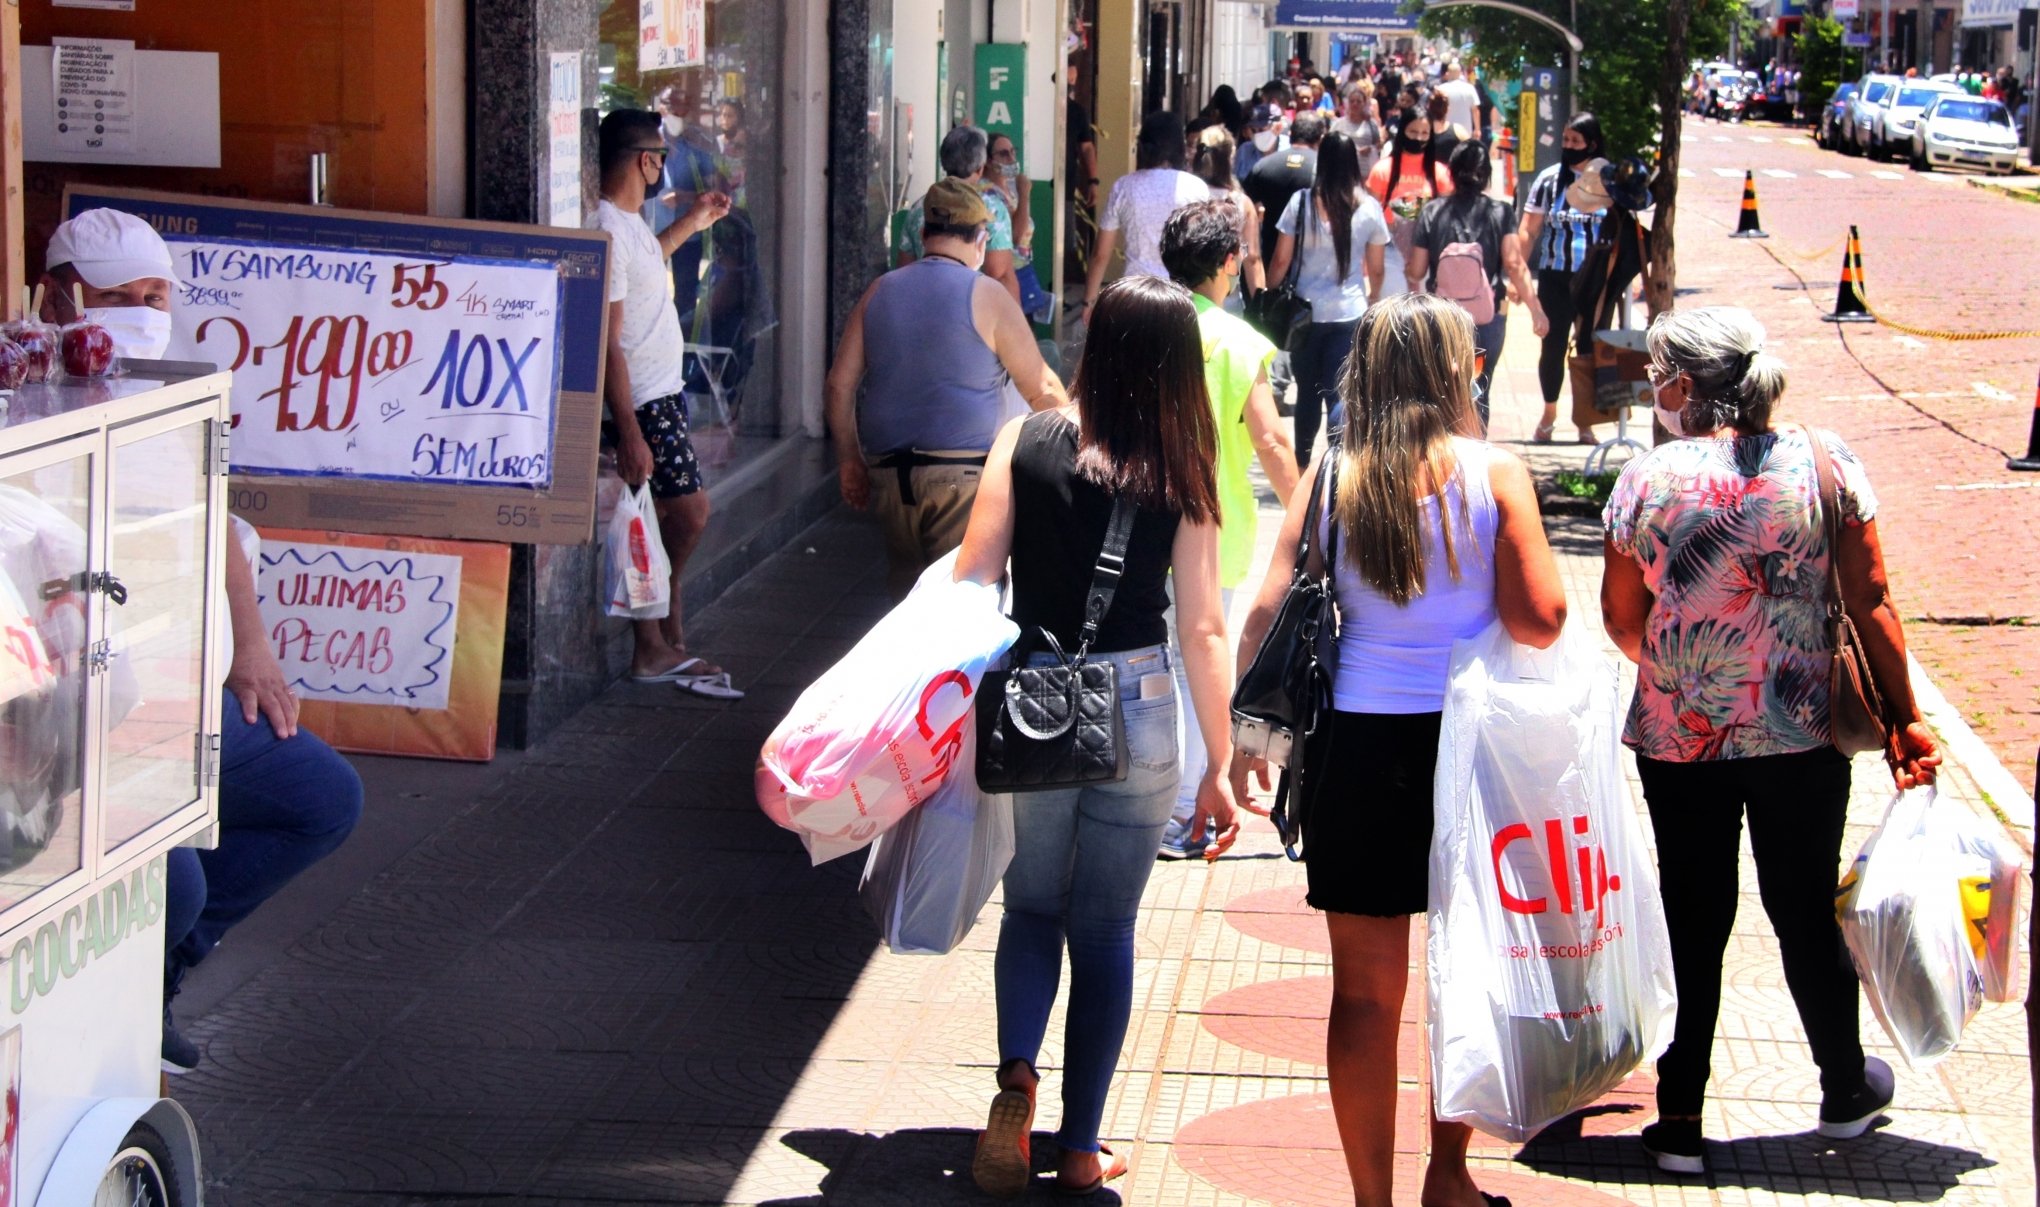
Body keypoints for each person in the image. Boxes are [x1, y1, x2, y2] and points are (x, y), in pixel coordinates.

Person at [1232, 293, 1565, 1207]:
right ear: (1457, 372)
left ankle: (1370, 1201)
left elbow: (1267, 606)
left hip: (1353, 751)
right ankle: (1448, 1175)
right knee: (1465, 974)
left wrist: (1243, 735)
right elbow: (1543, 619)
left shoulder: (1332, 471)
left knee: (1365, 997)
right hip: (1467, 756)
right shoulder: (1496, 472)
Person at [1600, 306, 1942, 1175]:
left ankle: (1679, 1112)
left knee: (1696, 911)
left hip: (1681, 733)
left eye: (1662, 371)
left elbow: (1620, 616)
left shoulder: (1650, 478)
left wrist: (1693, 668)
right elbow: (1872, 602)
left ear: (1689, 384)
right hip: (1802, 730)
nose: (1655, 385)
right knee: (1801, 905)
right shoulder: (1827, 463)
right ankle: (1842, 1082)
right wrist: (1905, 718)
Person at [39, 209, 367, 1074]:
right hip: (92, 718)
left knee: (324, 797)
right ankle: (120, 993)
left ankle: (160, 973)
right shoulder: (31, 402)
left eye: (156, 296)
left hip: (194, 700)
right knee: (173, 885)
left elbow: (213, 514)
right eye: (118, 297)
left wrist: (252, 645)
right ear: (62, 296)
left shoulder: (170, 392)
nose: (143, 314)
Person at [956, 275, 1242, 1199]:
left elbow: (972, 580)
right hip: (1143, 705)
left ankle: (1015, 1079)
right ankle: (1081, 1145)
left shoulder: (1022, 440)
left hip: (1036, 700)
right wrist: (1223, 761)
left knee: (1031, 909)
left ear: (1092, 342)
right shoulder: (1183, 465)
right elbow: (1201, 625)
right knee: (1108, 926)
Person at [826, 180, 1069, 597]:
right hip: (967, 476)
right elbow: (1042, 387)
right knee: (962, 598)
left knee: (906, 592)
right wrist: (1079, 454)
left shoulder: (879, 291)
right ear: (980, 240)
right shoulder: (988, 294)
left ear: (923, 236)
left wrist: (850, 460)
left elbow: (838, 387)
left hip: (889, 475)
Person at [1155, 200, 1302, 859]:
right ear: (1223, 263)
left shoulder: (1141, 323)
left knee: (1149, 658)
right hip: (1214, 526)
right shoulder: (1241, 343)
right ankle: (1184, 809)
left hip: (1135, 516)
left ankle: (1145, 798)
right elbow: (1271, 440)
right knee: (1200, 663)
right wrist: (1305, 516)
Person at [593, 108, 740, 696]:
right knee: (689, 512)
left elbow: (647, 260)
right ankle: (656, 629)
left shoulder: (628, 225)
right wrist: (628, 429)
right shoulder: (606, 226)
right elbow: (608, 339)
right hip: (643, 404)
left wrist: (693, 221)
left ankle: (657, 632)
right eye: (660, 156)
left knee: (667, 518)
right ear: (645, 162)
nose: (663, 165)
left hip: (660, 394)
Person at [1267, 132, 1390, 465]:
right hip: (1349, 312)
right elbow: (1376, 269)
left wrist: (1268, 290)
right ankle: (1339, 462)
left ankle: (1303, 463)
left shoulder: (1301, 202)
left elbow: (1281, 259)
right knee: (1339, 392)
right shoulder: (1369, 208)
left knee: (1307, 390)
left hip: (1304, 315)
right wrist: (1374, 298)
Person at [1405, 141, 1546, 426]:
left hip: (1441, 317)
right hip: (1486, 316)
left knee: (1439, 390)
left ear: (1452, 171)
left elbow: (1417, 270)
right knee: (1479, 390)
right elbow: (1514, 264)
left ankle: (1440, 458)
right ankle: (1476, 457)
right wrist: (1536, 309)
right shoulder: (1500, 212)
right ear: (1486, 175)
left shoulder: (1432, 211)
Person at [1517, 111, 1607, 445]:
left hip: (1594, 282)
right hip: (1556, 278)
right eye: (1565, 140)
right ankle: (1549, 413)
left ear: (1592, 144)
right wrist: (1517, 274)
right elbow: (1529, 230)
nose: (1568, 146)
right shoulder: (1549, 180)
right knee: (1552, 346)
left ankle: (1585, 420)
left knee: (1588, 350)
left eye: (1576, 141)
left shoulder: (1606, 182)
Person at [1083, 111, 1210, 310]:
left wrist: (1089, 301)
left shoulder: (1124, 187)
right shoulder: (1197, 188)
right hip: (1180, 297)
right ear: (1180, 147)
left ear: (1142, 147)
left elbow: (1100, 254)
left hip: (1135, 294)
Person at [897, 125, 1022, 306]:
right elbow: (1001, 277)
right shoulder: (992, 210)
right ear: (980, 168)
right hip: (972, 316)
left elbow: (904, 273)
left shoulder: (919, 208)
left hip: (923, 312)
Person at [1366, 107, 1452, 296]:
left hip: (1429, 256)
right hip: (1389, 253)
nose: (1418, 138)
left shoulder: (1441, 173)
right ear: (1402, 130)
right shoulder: (1382, 170)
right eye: (1413, 132)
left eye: (1424, 133)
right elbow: (1370, 218)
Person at [1191, 127, 1267, 300]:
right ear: (1229, 157)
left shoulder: (1186, 195)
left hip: (1187, 296)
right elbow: (1251, 258)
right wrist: (1260, 303)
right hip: (1226, 297)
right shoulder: (1241, 203)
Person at [1244, 110, 1325, 267]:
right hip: (1311, 264)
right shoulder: (1326, 170)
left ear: (1292, 133)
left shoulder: (1262, 166)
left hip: (1270, 255)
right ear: (1320, 139)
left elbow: (1246, 208)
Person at [1331, 81, 1385, 179]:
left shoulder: (1371, 124)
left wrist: (1370, 148)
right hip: (1343, 171)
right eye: (1352, 101)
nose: (1355, 104)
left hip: (1365, 171)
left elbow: (1379, 144)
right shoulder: (1339, 124)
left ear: (1364, 103)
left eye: (1359, 101)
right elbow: (1330, 142)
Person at [1235, 101, 1285, 182]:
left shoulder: (1288, 149)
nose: (1257, 134)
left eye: (1261, 130)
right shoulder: (1244, 151)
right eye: (1253, 130)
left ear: (1278, 128)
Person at [1436, 60, 1482, 142]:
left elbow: (1436, 110)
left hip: (1446, 129)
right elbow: (1475, 110)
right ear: (1460, 73)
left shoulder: (1440, 89)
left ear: (1448, 73)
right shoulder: (1469, 88)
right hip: (1465, 130)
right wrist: (1477, 129)